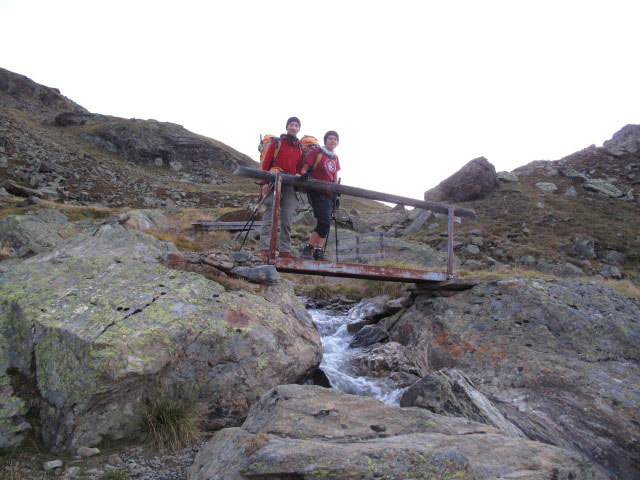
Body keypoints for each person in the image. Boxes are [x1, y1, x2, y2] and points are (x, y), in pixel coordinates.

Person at [258, 117, 302, 260]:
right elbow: (265, 165)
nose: (294, 127)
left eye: (296, 125)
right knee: (269, 215)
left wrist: (298, 174)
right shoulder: (277, 143)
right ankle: (265, 248)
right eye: (291, 125)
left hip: (289, 185)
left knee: (287, 217)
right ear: (287, 127)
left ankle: (284, 250)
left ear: (299, 129)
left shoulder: (299, 147)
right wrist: (264, 183)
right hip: (273, 182)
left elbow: (299, 167)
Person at [299, 130, 341, 260]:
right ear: (325, 141)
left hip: (329, 194)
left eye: (335, 139)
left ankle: (318, 252)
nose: (333, 141)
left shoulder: (335, 158)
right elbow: (304, 169)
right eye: (330, 138)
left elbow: (334, 177)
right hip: (316, 190)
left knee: (326, 222)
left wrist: (336, 194)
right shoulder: (316, 152)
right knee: (324, 221)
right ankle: (308, 249)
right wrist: (305, 178)